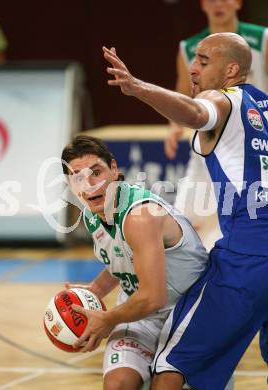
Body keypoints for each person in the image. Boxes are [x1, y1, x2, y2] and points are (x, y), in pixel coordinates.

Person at [103, 32, 268, 389]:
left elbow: (195, 113)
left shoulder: (222, 99)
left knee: (171, 361)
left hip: (250, 255)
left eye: (204, 61)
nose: (193, 69)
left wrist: (138, 88)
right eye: (193, 59)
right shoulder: (264, 106)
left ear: (232, 70)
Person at [61, 135, 210, 390]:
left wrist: (107, 319)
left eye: (96, 172)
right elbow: (123, 258)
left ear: (115, 169)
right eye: (78, 177)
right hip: (142, 315)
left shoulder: (140, 216)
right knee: (118, 385)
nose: (89, 184)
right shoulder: (92, 215)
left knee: (164, 386)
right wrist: (96, 291)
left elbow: (154, 297)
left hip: (189, 314)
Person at [165, 0, 268, 251]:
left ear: (238, 2)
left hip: (251, 145)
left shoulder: (262, 38)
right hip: (208, 144)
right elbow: (182, 95)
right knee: (181, 227)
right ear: (202, 4)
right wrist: (173, 126)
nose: (218, 4)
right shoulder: (188, 48)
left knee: (246, 226)